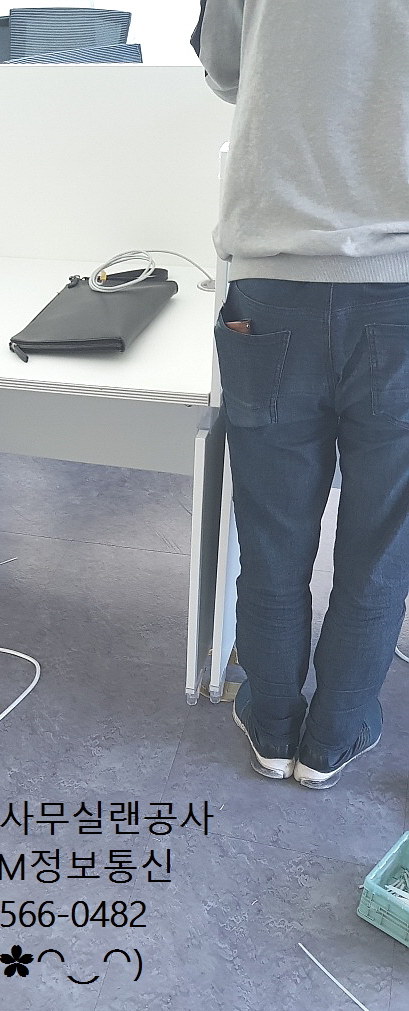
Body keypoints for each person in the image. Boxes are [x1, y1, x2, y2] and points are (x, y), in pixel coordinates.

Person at [192, 1, 409, 788]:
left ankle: (274, 724)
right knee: (383, 539)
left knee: (272, 531)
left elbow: (225, 68)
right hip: (401, 288)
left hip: (272, 281)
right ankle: (335, 735)